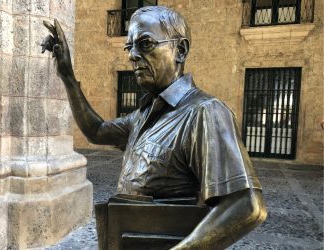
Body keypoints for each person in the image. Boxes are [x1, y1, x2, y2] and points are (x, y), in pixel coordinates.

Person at [42, 6, 266, 249]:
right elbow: (96, 131)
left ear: (180, 50)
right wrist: (67, 75)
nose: (132, 55)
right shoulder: (143, 115)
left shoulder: (205, 112)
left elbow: (247, 206)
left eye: (145, 44)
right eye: (130, 47)